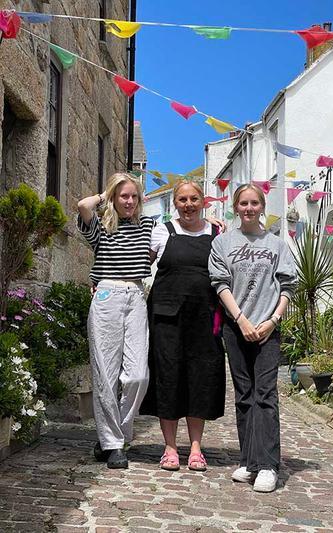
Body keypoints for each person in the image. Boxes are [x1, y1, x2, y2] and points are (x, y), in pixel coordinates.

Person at [208, 184, 297, 492]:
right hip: (237, 327)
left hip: (268, 329)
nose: (248, 208)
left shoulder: (277, 244)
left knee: (266, 395)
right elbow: (220, 284)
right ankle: (248, 461)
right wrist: (241, 320)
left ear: (262, 206)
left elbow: (287, 286)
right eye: (243, 203)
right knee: (244, 394)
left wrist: (273, 320)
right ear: (236, 207)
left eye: (254, 203)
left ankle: (269, 465)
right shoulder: (222, 243)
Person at [140, 180, 226, 472]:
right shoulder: (162, 231)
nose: (188, 204)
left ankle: (196, 449)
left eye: (193, 199)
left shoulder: (217, 233)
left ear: (203, 202)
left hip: (205, 316)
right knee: (168, 377)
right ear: (174, 204)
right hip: (166, 318)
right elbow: (140, 263)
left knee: (199, 378)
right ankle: (170, 448)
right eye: (182, 200)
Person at [77, 172, 154, 469]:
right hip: (107, 295)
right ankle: (113, 444)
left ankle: (115, 434)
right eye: (124, 195)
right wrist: (105, 194)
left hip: (135, 296)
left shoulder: (148, 225)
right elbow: (83, 205)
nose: (130, 201)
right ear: (113, 197)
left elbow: (174, 238)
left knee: (137, 376)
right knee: (105, 374)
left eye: (134, 195)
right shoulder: (101, 227)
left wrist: (213, 227)